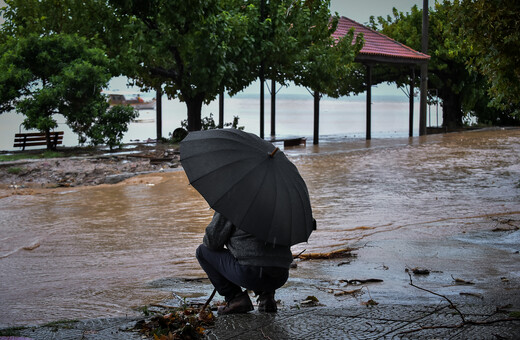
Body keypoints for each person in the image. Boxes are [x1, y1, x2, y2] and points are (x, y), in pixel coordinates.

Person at [196, 211, 293, 314]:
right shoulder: (280, 206)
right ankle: (267, 295)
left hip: (251, 274)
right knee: (265, 253)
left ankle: (235, 298)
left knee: (202, 251)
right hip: (280, 275)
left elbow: (211, 242)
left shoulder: (233, 201)